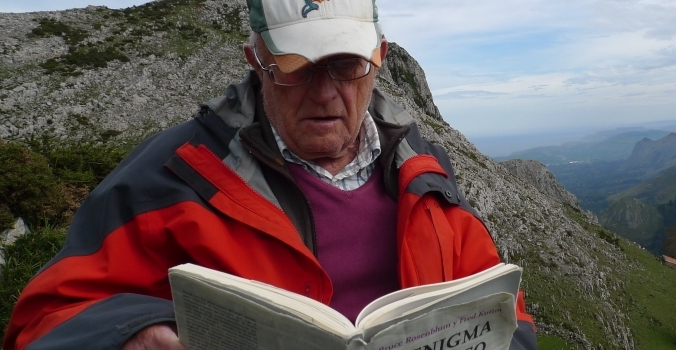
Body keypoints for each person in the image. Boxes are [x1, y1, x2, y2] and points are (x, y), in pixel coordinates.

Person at [3, 0, 538, 349]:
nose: (326, 92)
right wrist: (131, 334)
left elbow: (507, 315)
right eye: (296, 67)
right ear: (256, 60)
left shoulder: (423, 173)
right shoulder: (169, 180)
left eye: (346, 65)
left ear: (379, 60)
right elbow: (41, 323)